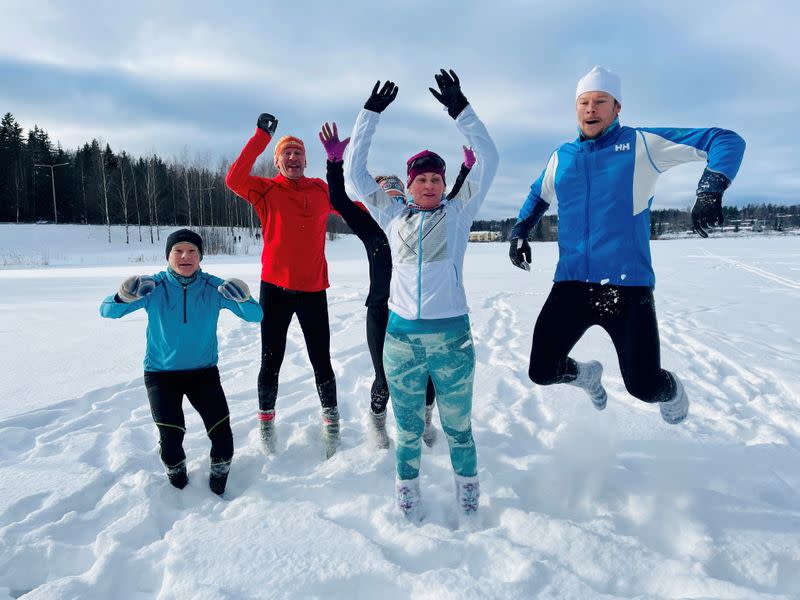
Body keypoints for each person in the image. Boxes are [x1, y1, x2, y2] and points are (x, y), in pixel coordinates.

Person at [508, 65, 746, 424]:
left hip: (627, 287)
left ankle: (672, 390)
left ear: (616, 108)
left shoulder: (641, 144)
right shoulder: (562, 156)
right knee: (542, 370)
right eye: (584, 102)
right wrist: (520, 231)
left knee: (644, 386)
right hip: (571, 284)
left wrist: (711, 188)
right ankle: (586, 376)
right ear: (576, 109)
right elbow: (538, 195)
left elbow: (725, 139)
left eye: (601, 101)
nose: (591, 109)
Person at [345, 70, 499, 524]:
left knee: (458, 429)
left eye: (436, 178)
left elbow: (489, 157)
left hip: (452, 340)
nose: (430, 185)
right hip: (401, 341)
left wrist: (461, 110)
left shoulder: (460, 212)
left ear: (444, 183)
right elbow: (354, 175)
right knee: (408, 428)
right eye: (422, 179)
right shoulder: (393, 214)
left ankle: (468, 497)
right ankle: (407, 495)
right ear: (408, 185)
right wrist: (369, 115)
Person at [319, 123, 476, 450]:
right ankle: (377, 420)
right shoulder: (369, 225)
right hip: (382, 311)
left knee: (430, 378)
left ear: (403, 193)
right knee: (386, 379)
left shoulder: (416, 221)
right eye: (382, 192)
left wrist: (465, 172)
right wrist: (334, 164)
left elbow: (455, 201)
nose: (389, 197)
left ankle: (426, 418)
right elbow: (339, 199)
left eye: (394, 191)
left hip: (423, 312)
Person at [99, 229, 263, 495]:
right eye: (178, 250)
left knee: (222, 434)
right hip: (161, 375)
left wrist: (244, 298)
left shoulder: (214, 287)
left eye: (192, 251)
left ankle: (219, 485)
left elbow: (256, 316)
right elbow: (107, 311)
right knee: (171, 437)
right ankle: (178, 487)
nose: (185, 256)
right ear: (168, 255)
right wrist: (123, 297)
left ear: (200, 256)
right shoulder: (152, 287)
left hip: (204, 374)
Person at [225, 115, 341, 459]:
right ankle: (265, 422)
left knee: (322, 358)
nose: (293, 159)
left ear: (306, 160)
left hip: (313, 289)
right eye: (286, 154)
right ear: (277, 161)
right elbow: (233, 178)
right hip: (274, 288)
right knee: (270, 359)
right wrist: (262, 136)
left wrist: (389, 204)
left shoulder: (321, 190)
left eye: (298, 154)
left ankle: (332, 423)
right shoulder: (266, 189)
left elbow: (355, 207)